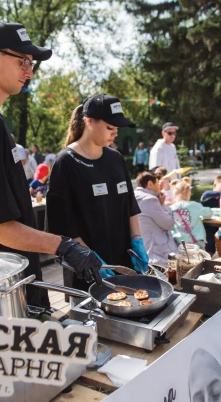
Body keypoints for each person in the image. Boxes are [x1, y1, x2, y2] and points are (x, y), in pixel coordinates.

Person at [0, 22, 103, 308]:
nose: (29, 72)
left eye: (30, 63)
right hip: (2, 298)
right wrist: (63, 245)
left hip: (3, 289)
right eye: (22, 61)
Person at [46, 94, 148, 292]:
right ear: (89, 121)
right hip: (86, 270)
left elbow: (129, 205)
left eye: (117, 129)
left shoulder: (116, 158)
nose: (115, 133)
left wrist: (137, 240)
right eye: (110, 128)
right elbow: (61, 224)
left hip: (123, 265)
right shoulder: (65, 162)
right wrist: (88, 257)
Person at [134, 172, 176, 268]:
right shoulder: (150, 200)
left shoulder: (132, 196)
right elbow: (168, 223)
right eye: (157, 185)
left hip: (140, 249)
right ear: (150, 184)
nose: (159, 188)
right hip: (157, 254)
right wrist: (163, 205)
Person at [170, 178, 212, 249]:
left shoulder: (171, 208)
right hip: (195, 242)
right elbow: (209, 213)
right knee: (199, 259)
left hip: (178, 242)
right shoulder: (194, 205)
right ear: (188, 193)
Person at [201, 175, 221, 254]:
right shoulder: (207, 196)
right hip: (203, 226)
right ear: (214, 185)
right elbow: (206, 195)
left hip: (215, 227)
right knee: (208, 241)